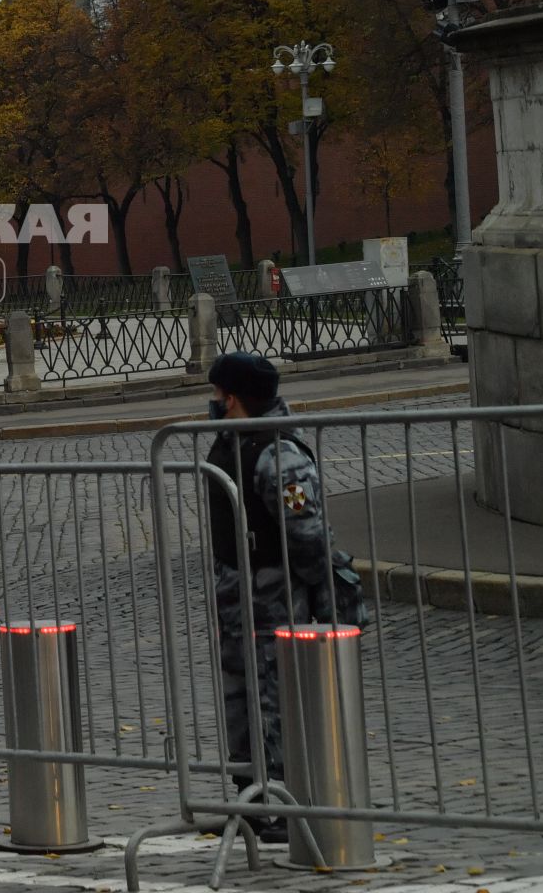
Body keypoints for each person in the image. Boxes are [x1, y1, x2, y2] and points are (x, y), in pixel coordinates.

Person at [202, 351, 353, 844]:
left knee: (274, 696)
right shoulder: (235, 443)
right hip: (237, 598)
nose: (214, 405)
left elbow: (305, 533)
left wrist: (330, 585)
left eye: (220, 396)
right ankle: (250, 794)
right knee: (240, 694)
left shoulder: (276, 452)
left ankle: (280, 799)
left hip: (274, 599)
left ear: (235, 398)